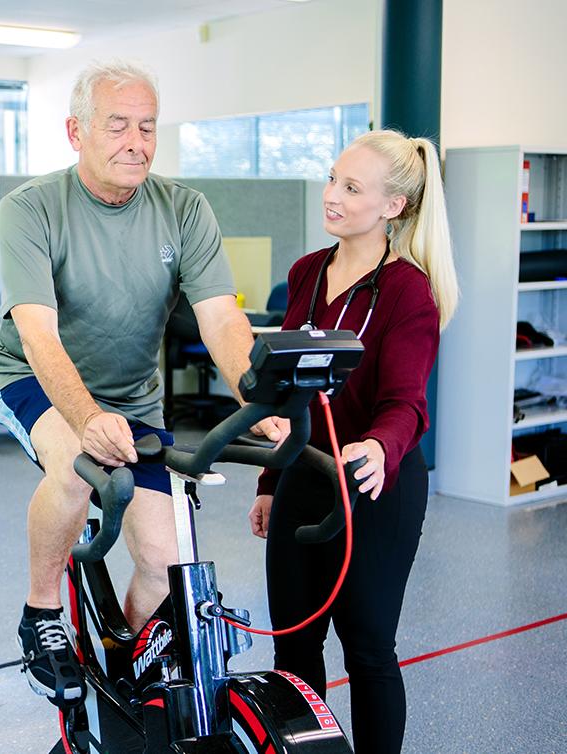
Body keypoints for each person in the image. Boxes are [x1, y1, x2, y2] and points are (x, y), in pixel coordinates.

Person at [0, 59, 286, 707]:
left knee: (165, 559)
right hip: (32, 379)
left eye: (147, 127)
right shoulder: (31, 209)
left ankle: (125, 673)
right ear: (76, 132)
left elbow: (222, 321)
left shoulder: (184, 209)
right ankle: (40, 616)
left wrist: (253, 396)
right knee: (74, 466)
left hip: (133, 398)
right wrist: (85, 417)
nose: (136, 142)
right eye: (117, 125)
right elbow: (37, 334)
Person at [247, 129, 459, 753]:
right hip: (303, 475)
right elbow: (283, 391)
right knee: (294, 641)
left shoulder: (408, 291)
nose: (331, 195)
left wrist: (379, 448)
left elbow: (406, 404)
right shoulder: (306, 274)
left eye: (351, 186)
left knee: (367, 646)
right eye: (333, 178)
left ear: (392, 207)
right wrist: (268, 482)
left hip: (375, 484)